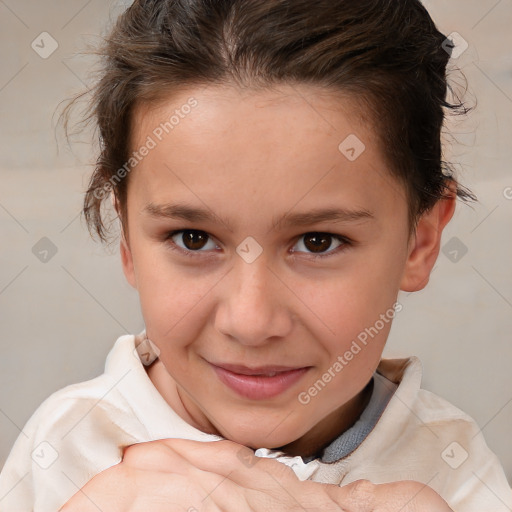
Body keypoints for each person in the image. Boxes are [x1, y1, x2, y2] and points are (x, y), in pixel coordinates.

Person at [1, 0, 511, 510]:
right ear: (128, 240)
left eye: (318, 242)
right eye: (193, 238)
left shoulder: (453, 467)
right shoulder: (64, 458)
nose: (250, 322)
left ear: (419, 242)